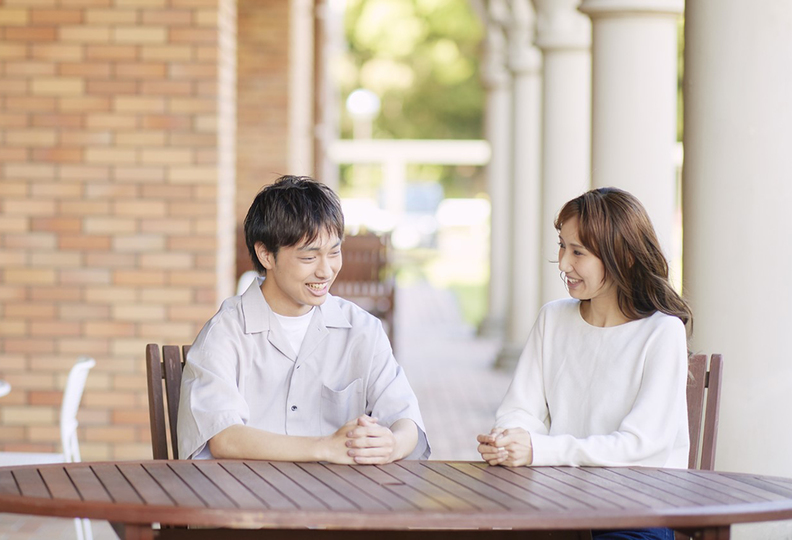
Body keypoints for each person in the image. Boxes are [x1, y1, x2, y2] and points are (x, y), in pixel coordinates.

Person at [477, 187, 691, 540]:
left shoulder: (662, 332)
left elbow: (643, 447)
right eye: (562, 246)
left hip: (635, 510)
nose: (563, 264)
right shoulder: (553, 318)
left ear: (624, 257)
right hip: (556, 504)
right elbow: (520, 410)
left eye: (578, 252)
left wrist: (539, 449)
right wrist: (508, 438)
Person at [178, 175, 429, 463]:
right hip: (246, 498)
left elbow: (406, 417)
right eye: (309, 258)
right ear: (266, 255)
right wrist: (325, 448)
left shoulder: (362, 329)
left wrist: (392, 444)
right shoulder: (226, 332)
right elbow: (223, 437)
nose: (326, 271)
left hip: (339, 499)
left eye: (334, 252)